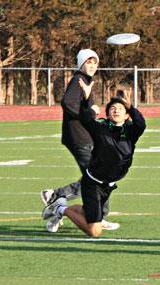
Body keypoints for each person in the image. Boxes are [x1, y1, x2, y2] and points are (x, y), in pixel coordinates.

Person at [42, 83, 146, 237]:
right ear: (108, 114)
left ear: (126, 115)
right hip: (92, 183)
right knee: (95, 231)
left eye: (120, 108)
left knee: (86, 212)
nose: (116, 110)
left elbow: (141, 124)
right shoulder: (101, 128)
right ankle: (60, 209)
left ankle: (61, 206)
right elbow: (85, 119)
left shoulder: (131, 131)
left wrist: (131, 107)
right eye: (112, 108)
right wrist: (85, 98)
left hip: (108, 185)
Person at [40, 49, 119, 232]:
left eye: (95, 63)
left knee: (99, 176)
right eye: (88, 62)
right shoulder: (79, 80)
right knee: (98, 177)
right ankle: (95, 215)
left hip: (85, 136)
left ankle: (56, 197)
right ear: (81, 64)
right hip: (78, 137)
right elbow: (67, 103)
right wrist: (90, 112)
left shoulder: (86, 81)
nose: (92, 66)